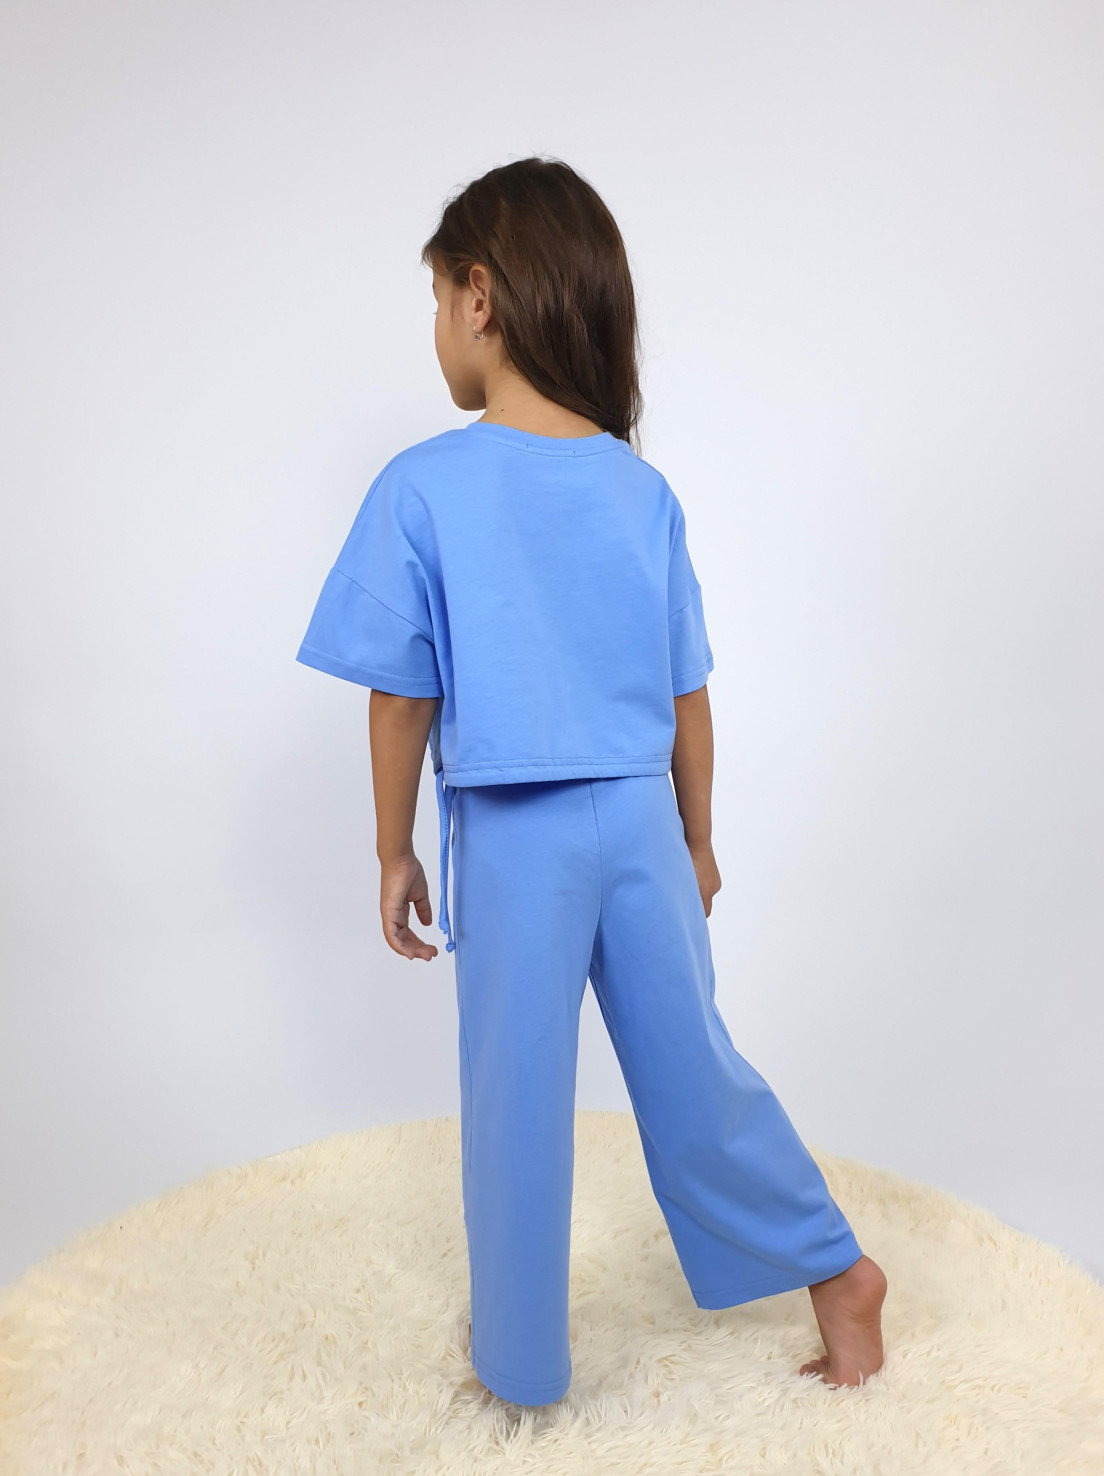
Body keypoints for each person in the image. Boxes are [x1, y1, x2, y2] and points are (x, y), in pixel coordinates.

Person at [295, 156, 887, 1406]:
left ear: (478, 296)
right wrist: (696, 837)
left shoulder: (423, 484)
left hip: (518, 835)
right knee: (694, 1070)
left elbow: (400, 694)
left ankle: (519, 1373)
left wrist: (393, 849)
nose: (435, 329)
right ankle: (836, 1273)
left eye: (435, 301)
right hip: (640, 823)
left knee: (515, 1098)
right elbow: (687, 693)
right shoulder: (639, 489)